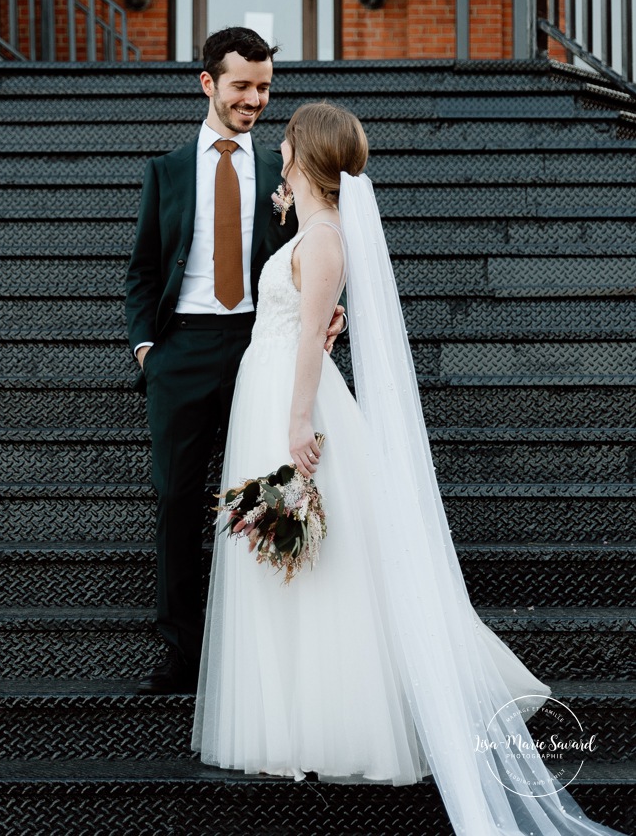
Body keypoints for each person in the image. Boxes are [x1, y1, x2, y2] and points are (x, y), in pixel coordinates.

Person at [192, 102, 626, 836]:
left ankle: (321, 725)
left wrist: (298, 421)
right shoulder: (312, 231)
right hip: (268, 391)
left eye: (288, 146)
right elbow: (309, 322)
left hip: (290, 403)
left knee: (313, 557)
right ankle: (285, 720)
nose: (280, 156)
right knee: (285, 555)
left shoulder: (323, 237)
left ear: (305, 155)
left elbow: (307, 344)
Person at [125, 29, 344, 694]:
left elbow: (316, 251)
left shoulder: (284, 175)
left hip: (259, 349)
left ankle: (265, 651)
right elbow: (141, 271)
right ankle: (182, 653)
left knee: (266, 498)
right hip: (182, 350)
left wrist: (331, 312)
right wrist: (146, 350)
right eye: (242, 86)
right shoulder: (165, 172)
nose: (255, 99)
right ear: (207, 84)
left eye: (264, 88)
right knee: (175, 500)